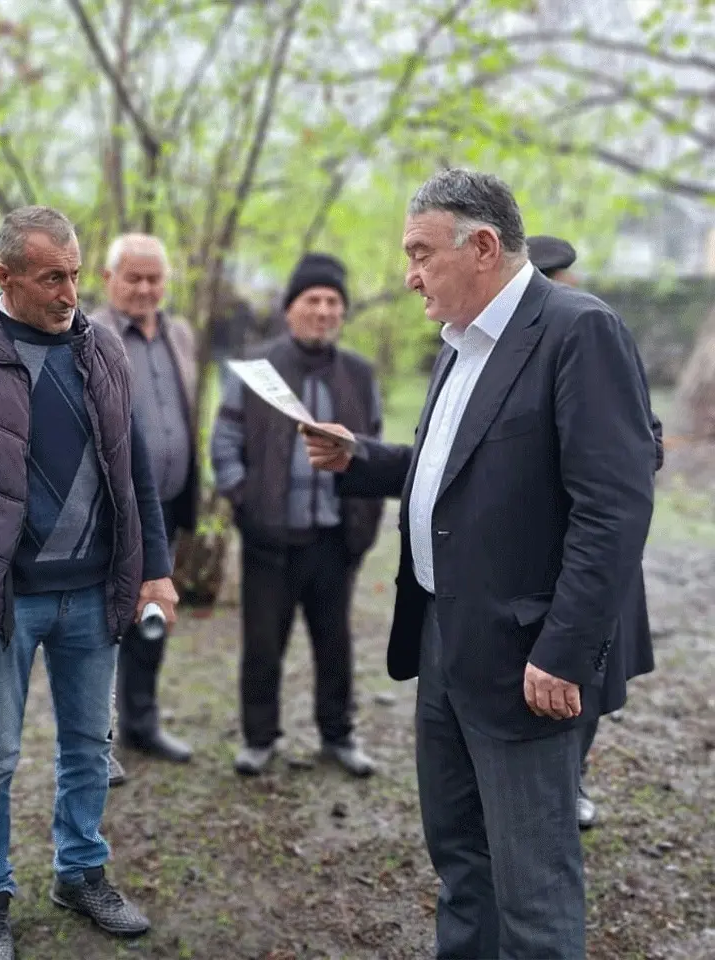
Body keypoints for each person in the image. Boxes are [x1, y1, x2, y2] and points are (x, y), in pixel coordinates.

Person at [303, 169, 655, 959]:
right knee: (462, 860)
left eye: (420, 253)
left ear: (484, 246)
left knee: (533, 890)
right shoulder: (460, 342)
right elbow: (452, 468)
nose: (409, 274)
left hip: (527, 657)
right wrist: (360, 458)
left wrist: (564, 650)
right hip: (444, 640)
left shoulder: (578, 331)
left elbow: (614, 509)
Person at [0, 205, 176, 960]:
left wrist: (158, 569)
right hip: (5, 599)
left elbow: (134, 467)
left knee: (89, 746)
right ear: (5, 276)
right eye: (53, 276)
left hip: (94, 595)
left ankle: (80, 873)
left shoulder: (103, 349)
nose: (70, 291)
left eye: (77, 274)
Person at [210, 252, 384, 778]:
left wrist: (365, 517)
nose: (325, 310)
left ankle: (339, 735)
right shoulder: (258, 369)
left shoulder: (359, 373)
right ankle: (259, 738)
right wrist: (242, 497)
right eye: (314, 300)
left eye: (334, 302)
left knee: (335, 645)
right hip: (270, 537)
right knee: (263, 643)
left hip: (335, 537)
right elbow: (225, 439)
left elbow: (375, 445)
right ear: (291, 309)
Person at [529, 234, 664, 830]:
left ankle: (574, 778)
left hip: (588, 552)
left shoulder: (594, 334)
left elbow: (644, 440)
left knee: (583, 671)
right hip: (535, 559)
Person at [90, 233, 197, 784]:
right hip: (108, 511)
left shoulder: (180, 333)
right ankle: (95, 742)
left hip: (170, 505)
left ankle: (142, 723)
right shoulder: (86, 336)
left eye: (155, 278)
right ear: (107, 281)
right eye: (133, 277)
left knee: (154, 617)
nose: (146, 289)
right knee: (103, 626)